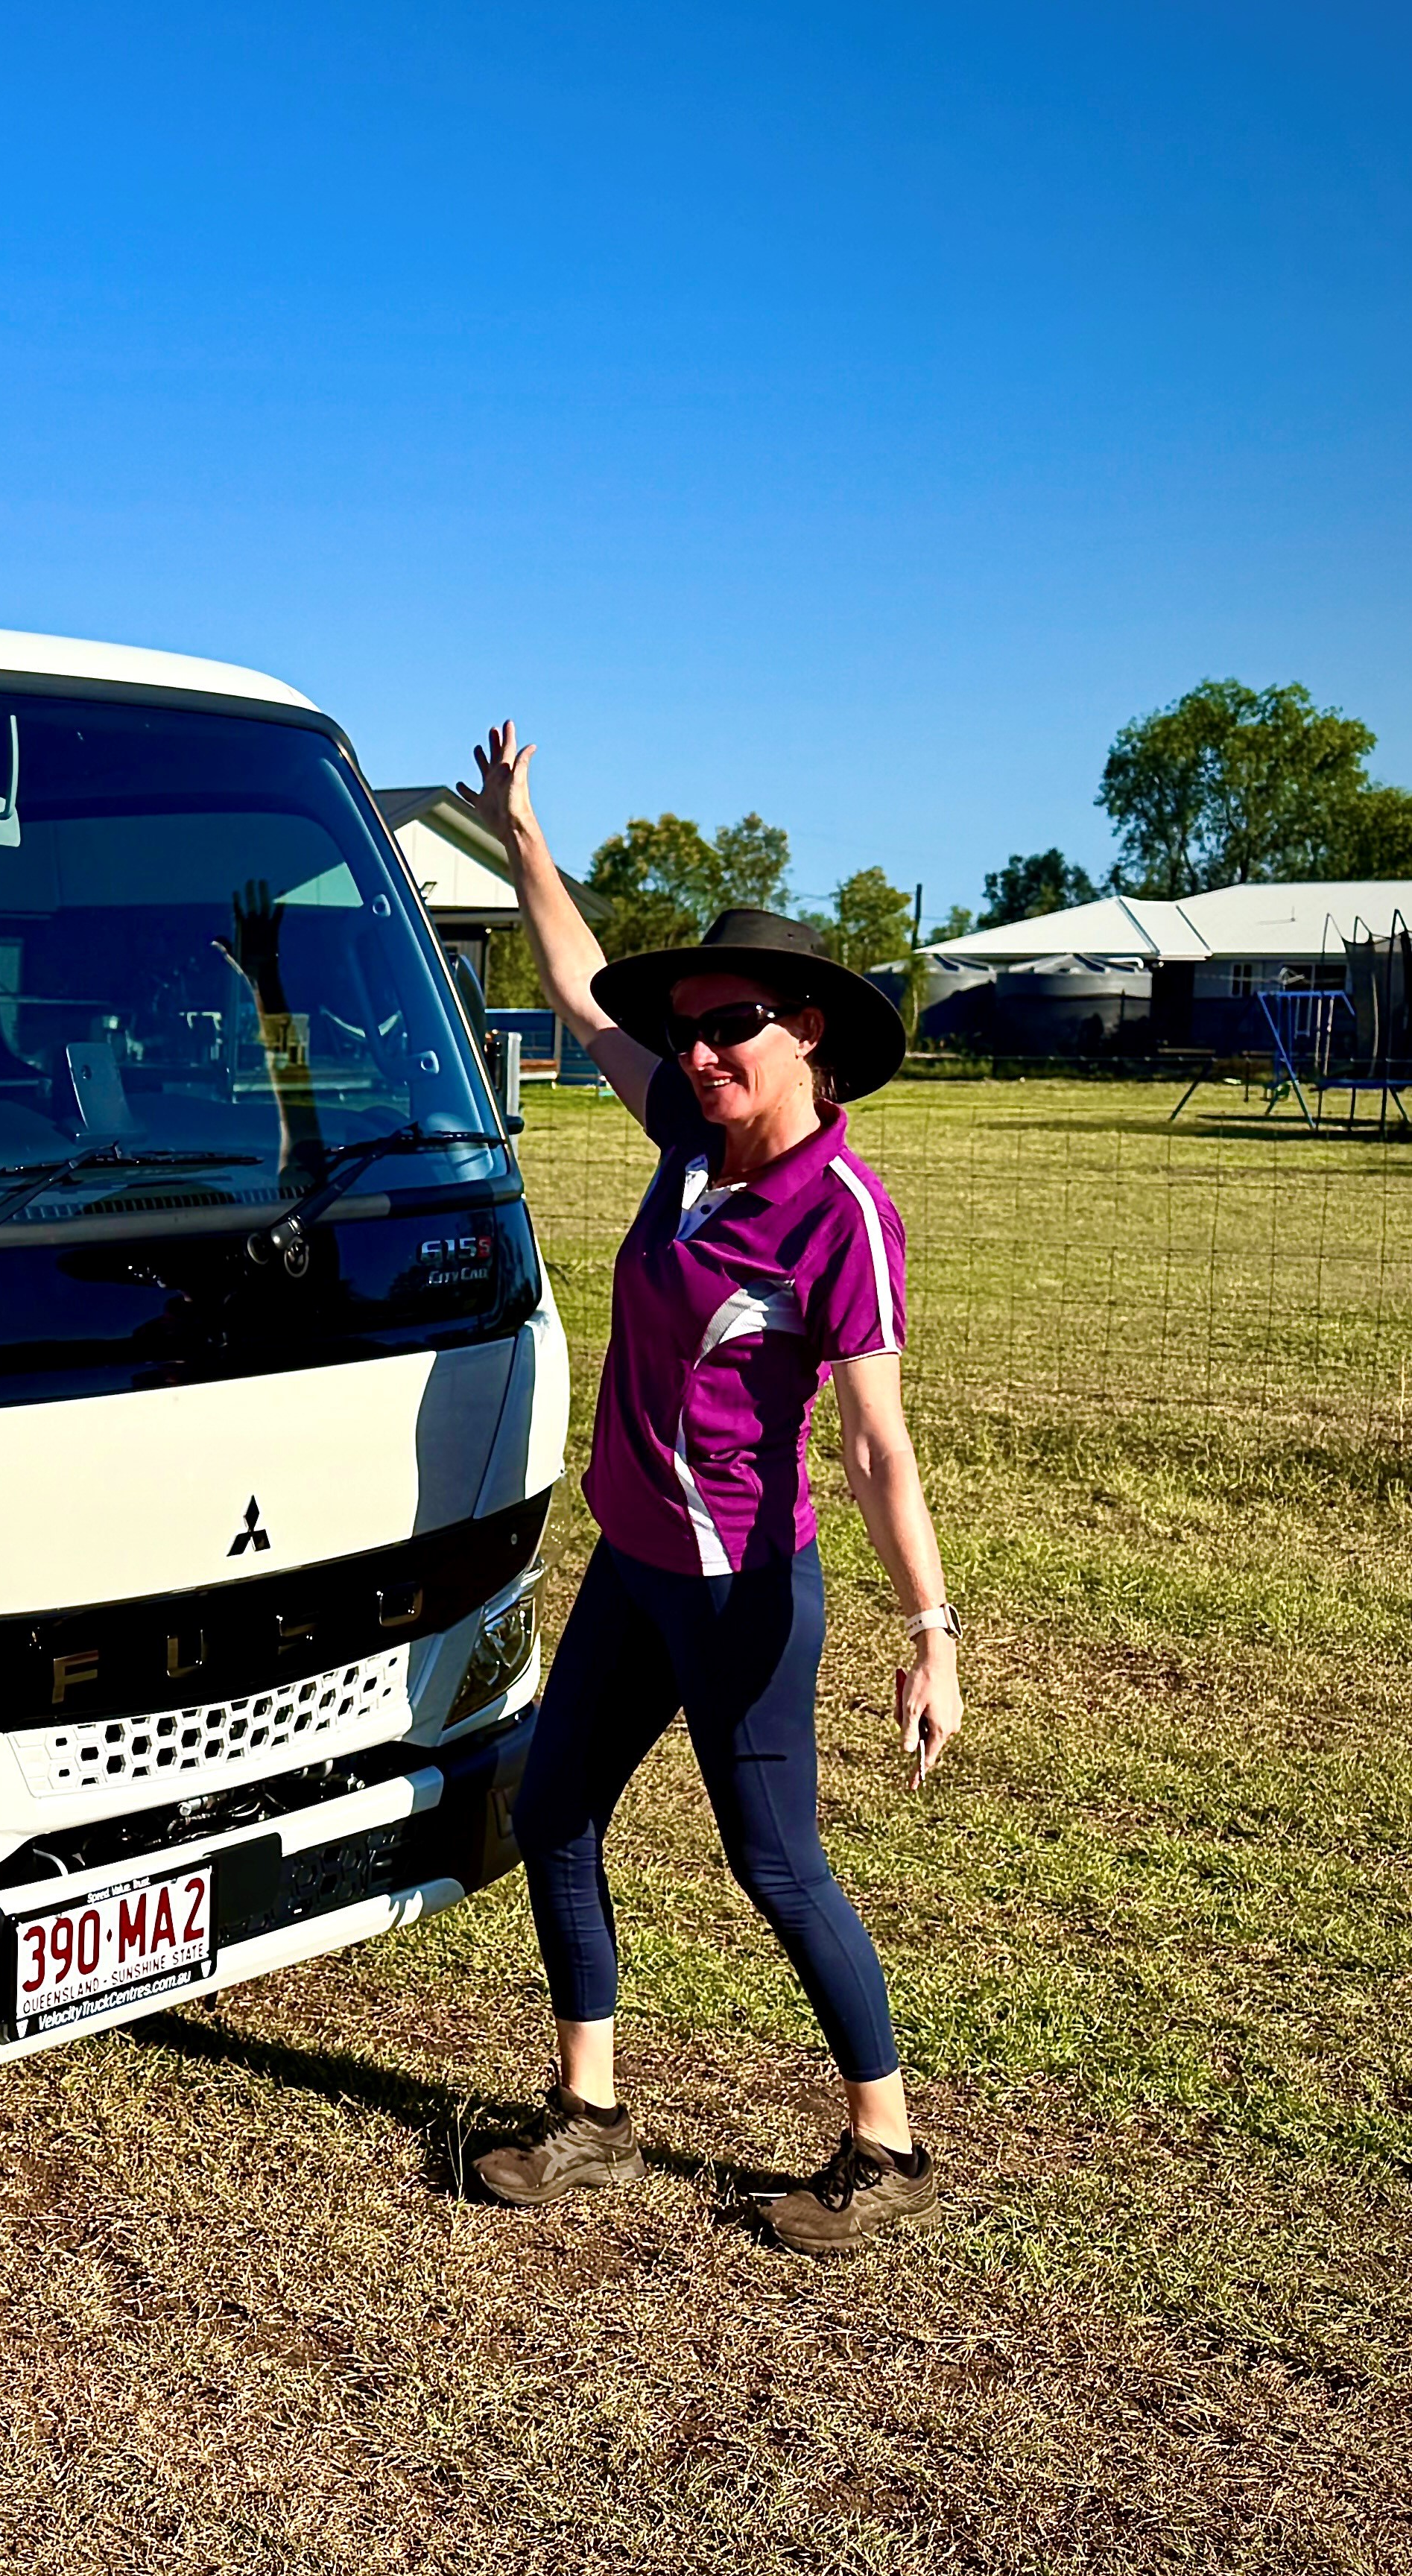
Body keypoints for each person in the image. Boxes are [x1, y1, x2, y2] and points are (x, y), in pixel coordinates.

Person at [457, 723, 963, 2256]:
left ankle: (884, 2140)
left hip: (744, 1586)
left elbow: (877, 1444)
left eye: (726, 1025)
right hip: (632, 1561)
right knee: (552, 1808)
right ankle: (588, 2110)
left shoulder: (839, 1213)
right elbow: (568, 982)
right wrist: (522, 834)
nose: (694, 1054)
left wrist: (932, 1625)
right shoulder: (688, 1136)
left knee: (772, 1860)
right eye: (682, 1029)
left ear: (806, 1028)